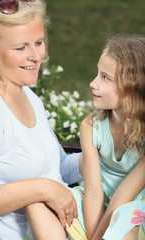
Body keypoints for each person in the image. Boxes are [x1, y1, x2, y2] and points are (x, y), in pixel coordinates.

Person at [0, 0, 85, 239]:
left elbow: (56, 168)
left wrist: (105, 153)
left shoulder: (28, 95)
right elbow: (47, 182)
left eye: (39, 42)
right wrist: (41, 189)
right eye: (21, 48)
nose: (37, 56)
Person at [80, 35, 145, 240]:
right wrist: (94, 237)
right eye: (97, 74)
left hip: (132, 205)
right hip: (101, 202)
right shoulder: (91, 126)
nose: (93, 83)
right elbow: (93, 193)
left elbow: (123, 197)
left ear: (131, 88)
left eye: (105, 77)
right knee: (52, 205)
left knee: (125, 218)